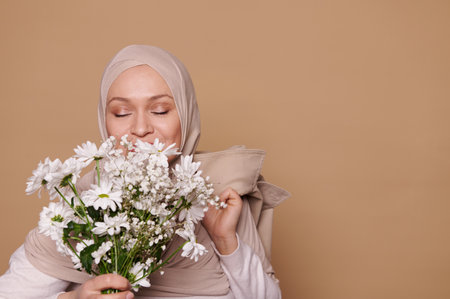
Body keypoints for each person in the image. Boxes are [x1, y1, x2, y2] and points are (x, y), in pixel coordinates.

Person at [0, 45, 289, 299]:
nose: (140, 129)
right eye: (122, 113)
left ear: (187, 115)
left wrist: (226, 240)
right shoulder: (83, 208)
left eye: (160, 110)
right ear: (104, 120)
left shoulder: (217, 198)